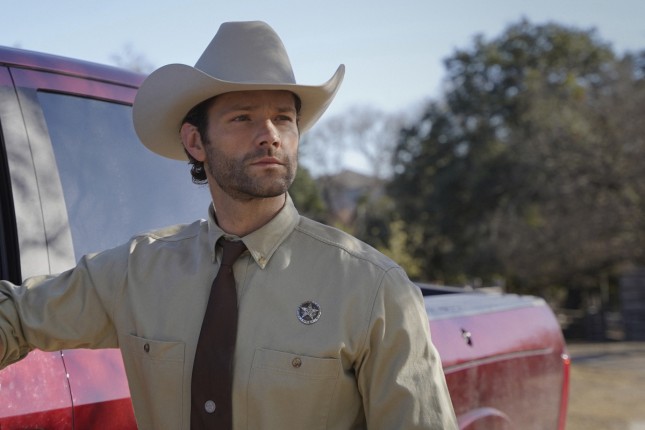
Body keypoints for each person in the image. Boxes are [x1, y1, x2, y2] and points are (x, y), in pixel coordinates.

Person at [0, 21, 457, 429]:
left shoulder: (373, 290)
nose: (270, 135)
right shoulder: (136, 272)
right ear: (195, 141)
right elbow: (17, 316)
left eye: (284, 118)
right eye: (243, 117)